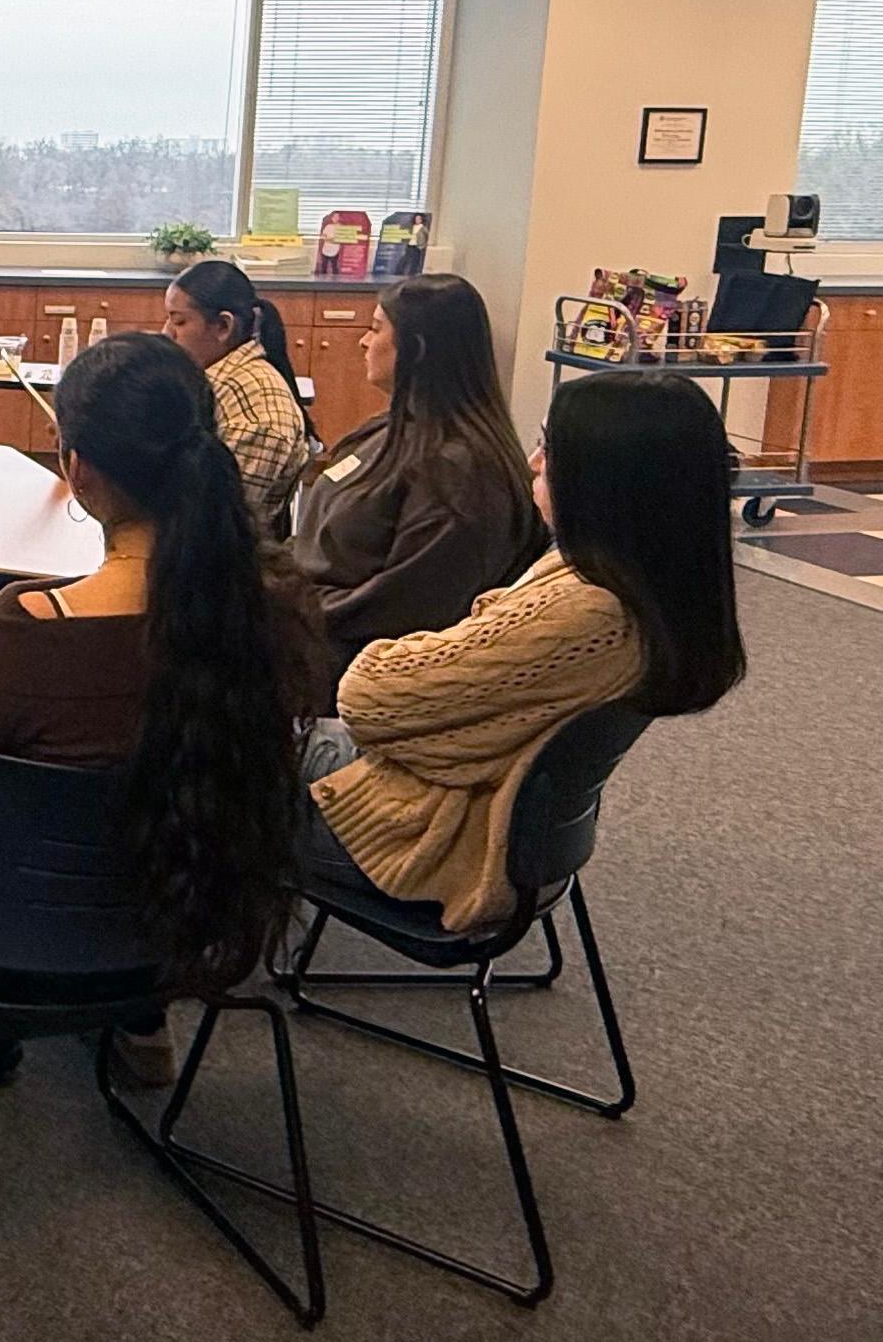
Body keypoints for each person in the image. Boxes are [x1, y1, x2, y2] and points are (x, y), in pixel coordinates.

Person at [0, 335, 319, 1090]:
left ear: (77, 469)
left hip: (13, 933)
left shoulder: (28, 623)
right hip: (185, 915)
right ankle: (138, 1017)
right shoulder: (268, 607)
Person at [300, 370, 747, 931]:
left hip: (426, 832)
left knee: (183, 754)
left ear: (603, 479)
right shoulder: (646, 580)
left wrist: (426, 664)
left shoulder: (589, 610)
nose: (533, 462)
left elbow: (369, 700)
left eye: (548, 447)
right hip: (459, 799)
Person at [293, 274, 547, 684]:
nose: (363, 341)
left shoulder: (460, 470)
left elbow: (404, 605)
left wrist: (283, 611)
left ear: (418, 349)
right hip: (310, 621)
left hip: (353, 660)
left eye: (375, 329)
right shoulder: (389, 430)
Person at [163, 259, 313, 534]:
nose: (166, 333)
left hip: (223, 566)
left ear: (223, 326)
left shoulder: (258, 411)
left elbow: (214, 522)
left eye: (179, 322)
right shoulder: (214, 381)